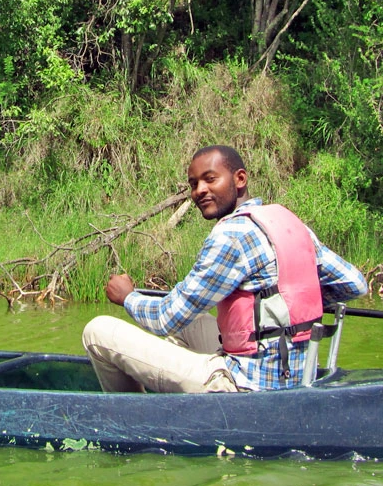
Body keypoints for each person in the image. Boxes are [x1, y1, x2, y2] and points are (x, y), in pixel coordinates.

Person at [82, 145, 368, 393]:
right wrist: (288, 308)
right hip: (299, 374)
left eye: (210, 179)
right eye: (194, 184)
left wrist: (128, 296)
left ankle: (136, 417)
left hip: (246, 384)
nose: (199, 190)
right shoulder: (286, 223)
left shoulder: (231, 236)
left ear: (239, 179)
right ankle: (179, 395)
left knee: (98, 332)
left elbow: (165, 318)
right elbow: (355, 284)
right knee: (190, 323)